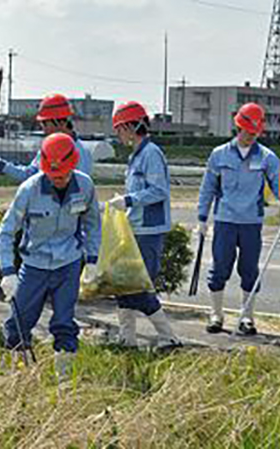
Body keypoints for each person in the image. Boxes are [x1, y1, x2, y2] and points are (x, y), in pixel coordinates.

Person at [0, 132, 100, 379]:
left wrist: (93, 259)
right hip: (34, 266)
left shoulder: (85, 186)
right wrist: (8, 271)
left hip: (69, 265)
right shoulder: (29, 190)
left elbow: (93, 224)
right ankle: (18, 375)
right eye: (53, 176)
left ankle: (64, 379)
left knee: (65, 322)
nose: (59, 180)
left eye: (63, 175)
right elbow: (6, 231)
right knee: (18, 323)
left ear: (73, 165)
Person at [197, 103, 280, 336]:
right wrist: (202, 217)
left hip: (251, 223)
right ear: (238, 127)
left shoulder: (267, 157)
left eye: (254, 133)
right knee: (220, 267)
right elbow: (208, 187)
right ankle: (216, 314)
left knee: (249, 270)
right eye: (246, 131)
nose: (250, 137)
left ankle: (247, 317)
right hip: (224, 220)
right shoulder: (219, 154)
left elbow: (278, 186)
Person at [107, 101, 180, 349]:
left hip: (149, 230)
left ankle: (169, 338)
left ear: (131, 126)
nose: (118, 134)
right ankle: (127, 340)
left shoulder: (151, 154)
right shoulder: (136, 155)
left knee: (139, 287)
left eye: (119, 129)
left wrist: (128, 199)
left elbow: (159, 190)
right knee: (125, 284)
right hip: (135, 228)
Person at [0, 93, 94, 179]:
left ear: (61, 122)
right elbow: (29, 174)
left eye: (45, 124)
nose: (43, 129)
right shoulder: (49, 148)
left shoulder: (80, 152)